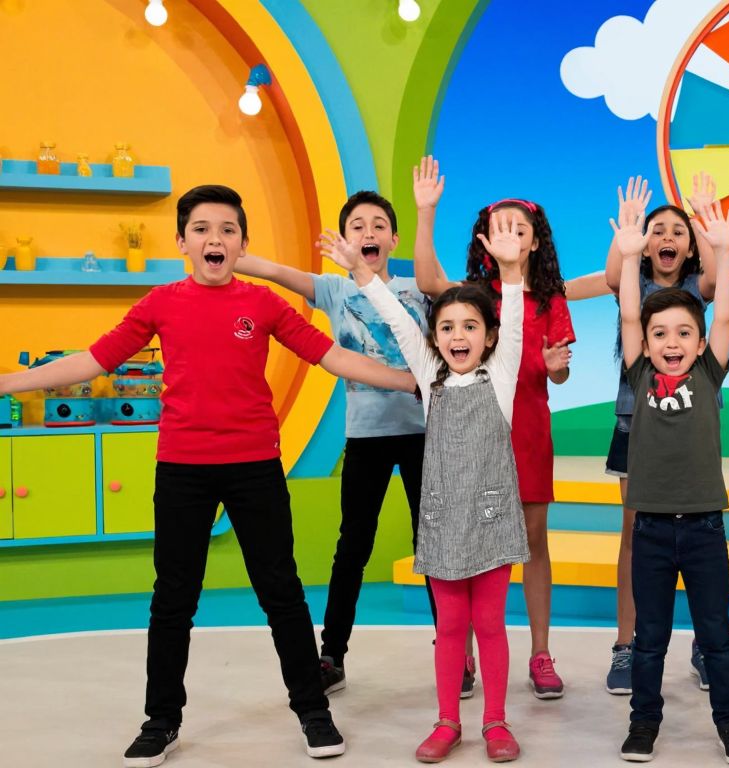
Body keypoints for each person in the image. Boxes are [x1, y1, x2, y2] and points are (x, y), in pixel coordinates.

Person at [0, 185, 418, 767]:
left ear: (242, 244)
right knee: (173, 598)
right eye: (201, 229)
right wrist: (6, 381)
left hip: (254, 467)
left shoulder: (266, 305)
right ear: (182, 242)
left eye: (226, 230)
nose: (214, 239)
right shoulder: (159, 303)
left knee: (283, 593)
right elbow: (94, 361)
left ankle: (312, 711)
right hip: (182, 469)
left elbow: (333, 358)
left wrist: (415, 380)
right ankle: (160, 719)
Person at [331, 209, 529, 763]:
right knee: (450, 629)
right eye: (446, 327)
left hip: (490, 524)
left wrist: (511, 272)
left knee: (489, 625)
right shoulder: (429, 375)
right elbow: (396, 318)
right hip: (442, 525)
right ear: (434, 337)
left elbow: (512, 321)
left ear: (488, 337)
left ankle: (494, 721)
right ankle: (447, 721)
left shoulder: (501, 375)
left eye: (470, 326)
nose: (457, 335)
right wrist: (362, 275)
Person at [235, 190, 434, 694]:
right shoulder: (333, 290)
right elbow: (280, 273)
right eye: (357, 226)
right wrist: (235, 254)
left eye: (378, 225)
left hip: (422, 435)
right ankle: (332, 654)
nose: (368, 233)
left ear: (394, 238)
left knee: (432, 546)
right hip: (365, 437)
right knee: (353, 548)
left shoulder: (419, 289)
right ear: (345, 240)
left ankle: (456, 650)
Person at [409, 156, 575, 699]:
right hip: (472, 438)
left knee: (530, 541)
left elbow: (561, 367)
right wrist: (426, 212)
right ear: (484, 239)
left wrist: (558, 369)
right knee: (466, 543)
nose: (508, 235)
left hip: (526, 430)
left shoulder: (550, 299)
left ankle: (541, 652)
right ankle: (466, 656)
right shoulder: (474, 299)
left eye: (518, 228)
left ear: (533, 241)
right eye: (498, 228)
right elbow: (429, 279)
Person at [612, 200, 729, 764]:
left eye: (684, 333)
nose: (672, 342)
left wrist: (723, 249)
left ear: (699, 343)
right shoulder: (640, 369)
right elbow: (628, 314)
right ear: (646, 344)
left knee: (716, 636)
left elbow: (722, 316)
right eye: (661, 333)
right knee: (649, 640)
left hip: (703, 529)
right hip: (649, 529)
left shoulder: (707, 370)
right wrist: (628, 258)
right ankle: (643, 723)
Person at [601, 174, 719, 695]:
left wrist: (706, 223)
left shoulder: (697, 291)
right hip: (635, 425)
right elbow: (612, 278)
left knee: (699, 544)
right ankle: (627, 644)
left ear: (689, 247)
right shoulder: (634, 283)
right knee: (635, 536)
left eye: (677, 231)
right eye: (658, 230)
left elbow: (717, 283)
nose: (666, 237)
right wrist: (628, 235)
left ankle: (704, 644)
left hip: (691, 432)